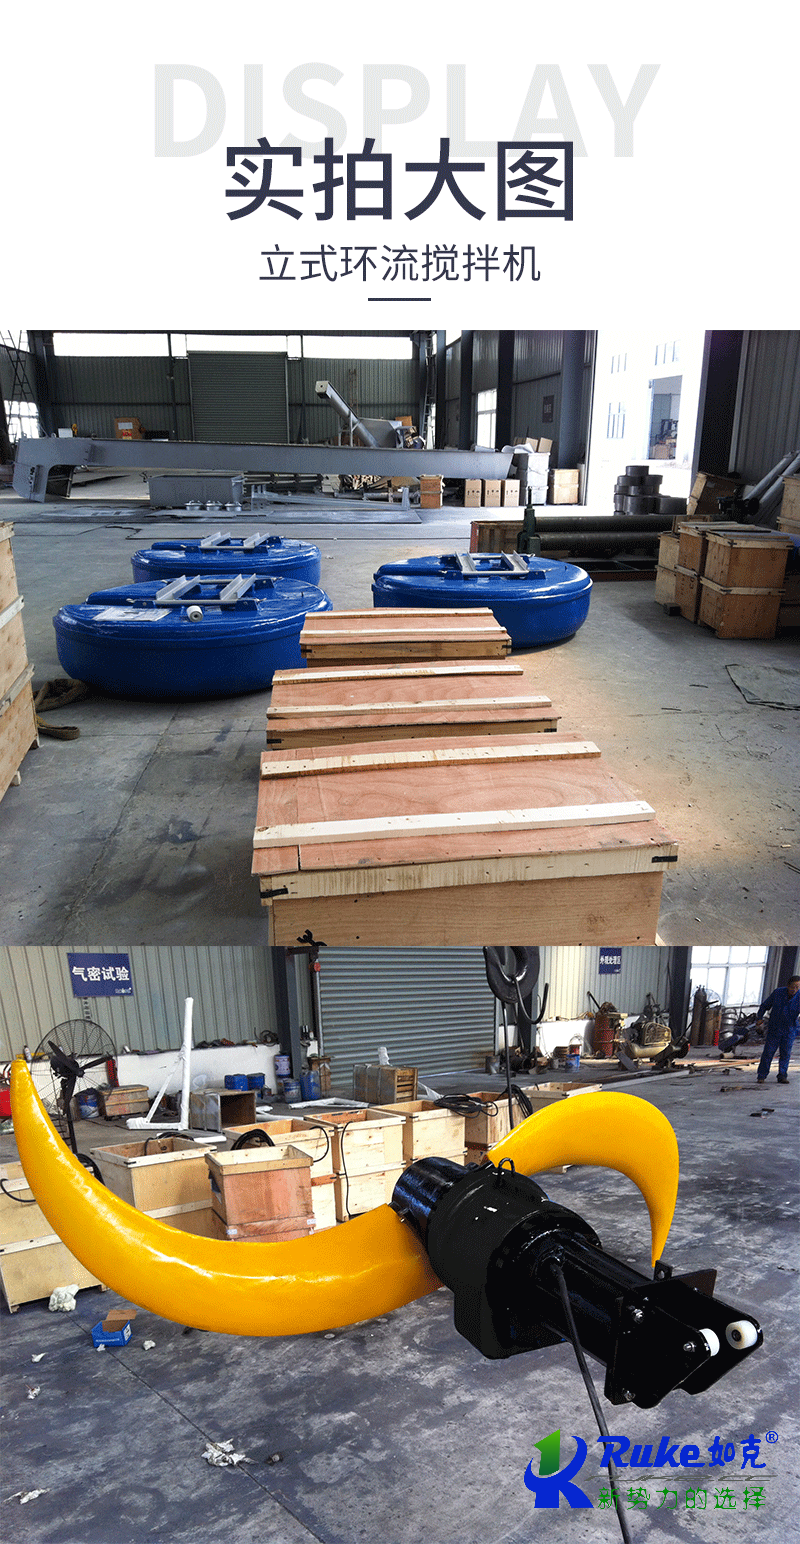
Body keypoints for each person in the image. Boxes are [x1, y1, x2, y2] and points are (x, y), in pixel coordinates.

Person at [755, 975, 800, 1084]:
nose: (794, 990)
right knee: (768, 1053)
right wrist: (759, 1018)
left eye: (797, 987)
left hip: (790, 1029)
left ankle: (782, 1076)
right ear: (788, 986)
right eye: (792, 987)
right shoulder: (778, 993)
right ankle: (761, 1075)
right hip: (775, 1028)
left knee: (785, 1053)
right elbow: (764, 1005)